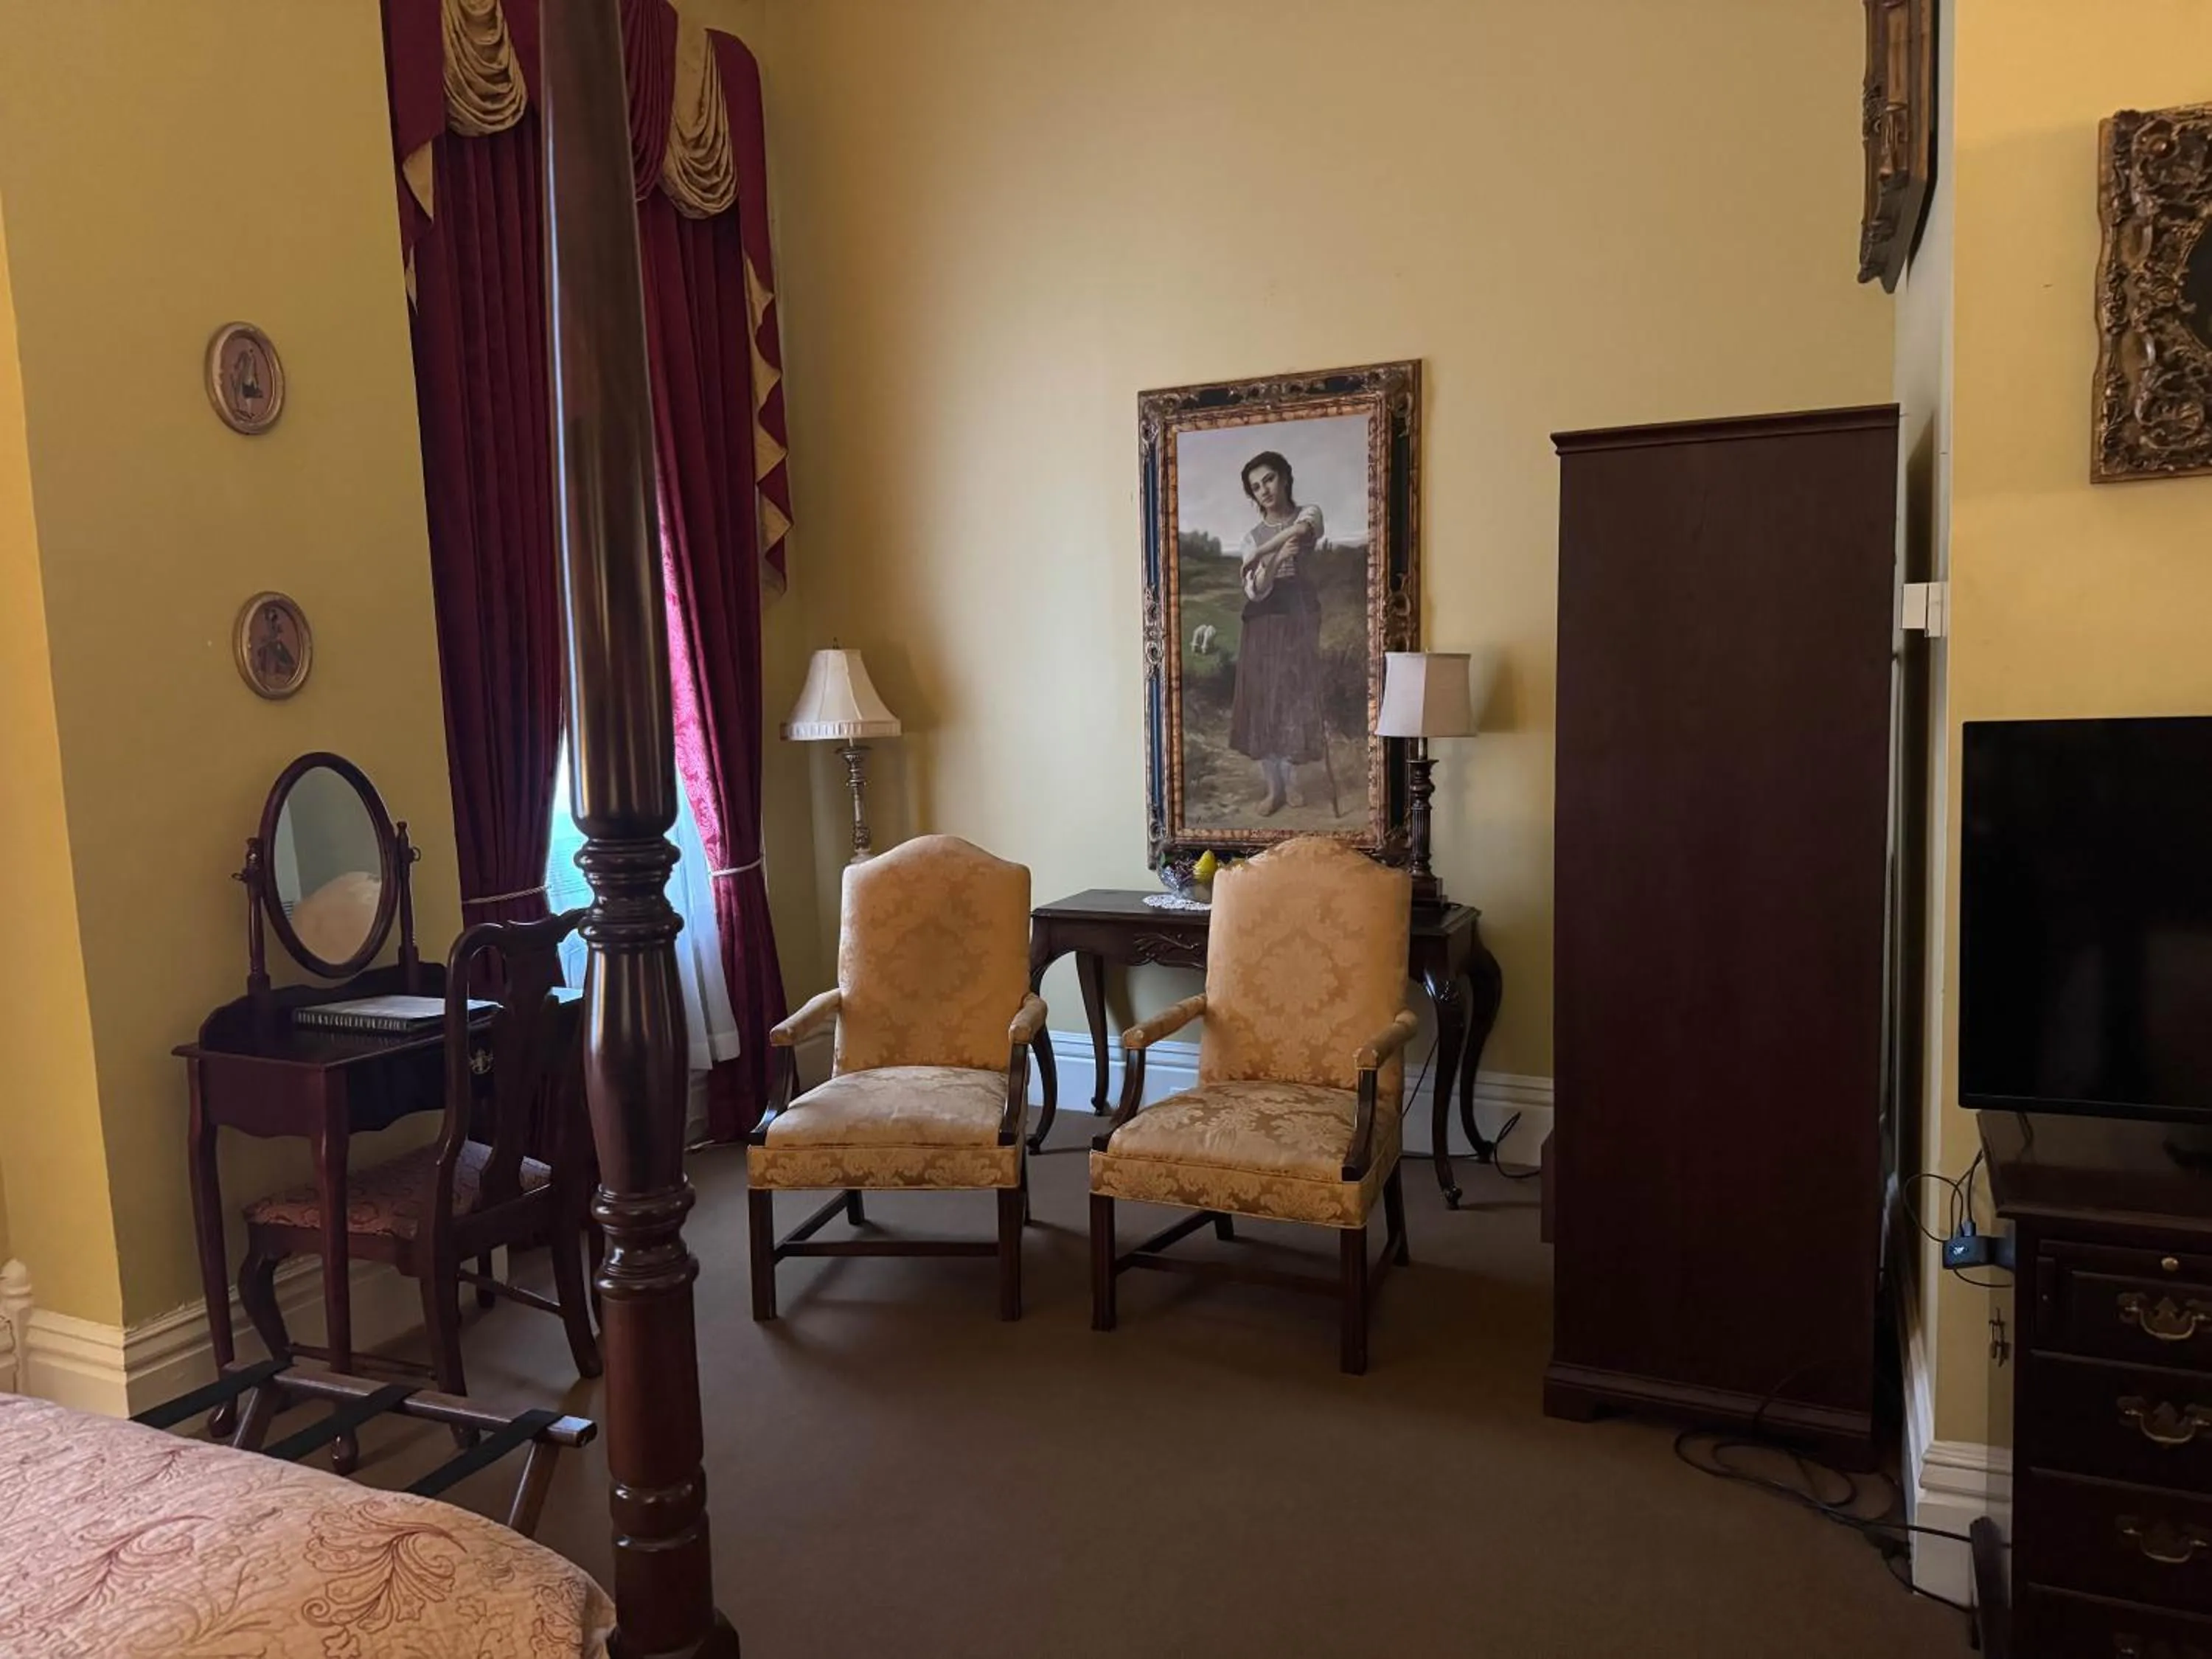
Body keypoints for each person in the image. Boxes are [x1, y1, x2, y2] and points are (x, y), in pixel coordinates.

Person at [1228, 449, 1324, 816]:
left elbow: (1302, 531)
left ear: (1284, 477)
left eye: (1269, 479)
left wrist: (1264, 553)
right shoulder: (1248, 538)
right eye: (1256, 487)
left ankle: (1293, 780)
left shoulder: (1308, 514)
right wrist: (1275, 561)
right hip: (1264, 622)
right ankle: (1273, 788)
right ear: (1252, 496)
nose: (1264, 490)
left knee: (1293, 696)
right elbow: (1257, 589)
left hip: (1299, 617)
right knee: (1264, 702)